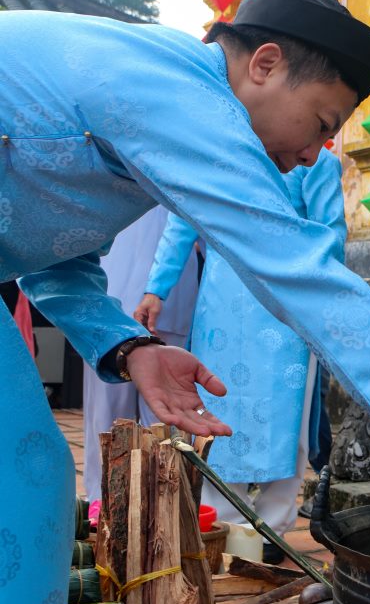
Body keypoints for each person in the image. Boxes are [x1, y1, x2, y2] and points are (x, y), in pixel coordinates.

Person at [0, 0, 370, 604]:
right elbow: (301, 273)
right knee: (26, 481)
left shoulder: (159, 98)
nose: (314, 153)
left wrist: (130, 347)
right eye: (321, 122)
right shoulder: (180, 98)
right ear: (265, 64)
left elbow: (55, 258)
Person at [134, 148, 346, 564]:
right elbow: (182, 221)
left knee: (287, 421)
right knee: (216, 408)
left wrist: (323, 302)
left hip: (286, 307)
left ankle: (272, 529)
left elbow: (330, 235)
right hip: (221, 305)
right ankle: (226, 523)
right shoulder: (214, 148)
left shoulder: (314, 159)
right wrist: (155, 288)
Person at [82, 206, 200, 523]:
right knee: (107, 409)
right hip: (109, 285)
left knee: (165, 411)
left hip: (170, 291)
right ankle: (103, 497)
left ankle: (167, 500)